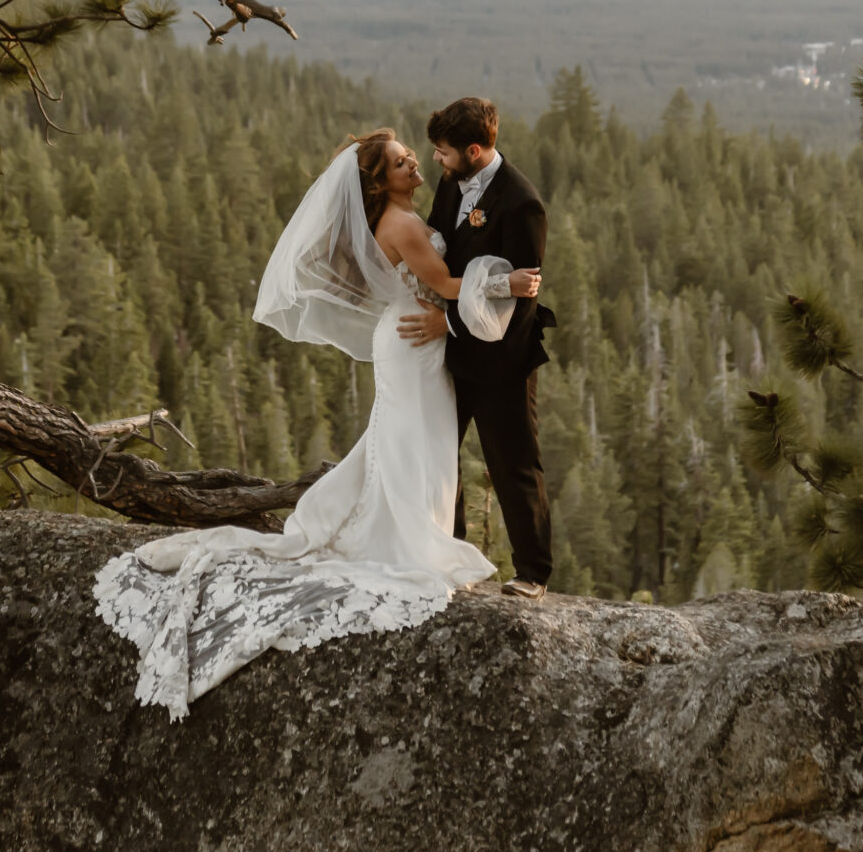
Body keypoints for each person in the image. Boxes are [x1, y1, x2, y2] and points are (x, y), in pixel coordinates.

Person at [92, 128, 543, 718]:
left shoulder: (404, 213)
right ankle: (415, 544)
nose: (416, 162)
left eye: (413, 154)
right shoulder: (405, 224)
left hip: (409, 337)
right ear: (379, 181)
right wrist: (506, 283)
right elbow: (449, 285)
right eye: (403, 160)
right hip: (414, 342)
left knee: (410, 443)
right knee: (416, 444)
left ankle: (421, 537)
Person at [398, 96, 555, 596]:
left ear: (472, 149)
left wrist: (448, 322)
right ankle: (451, 555)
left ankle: (533, 572)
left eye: (443, 153)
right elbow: (441, 240)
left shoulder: (522, 203)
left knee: (513, 462)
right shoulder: (451, 182)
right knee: (443, 454)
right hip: (453, 352)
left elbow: (519, 304)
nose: (437, 163)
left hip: (503, 356)